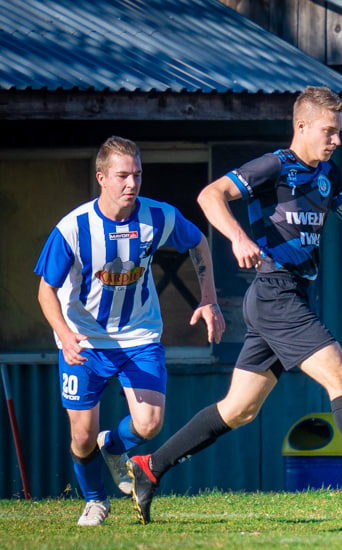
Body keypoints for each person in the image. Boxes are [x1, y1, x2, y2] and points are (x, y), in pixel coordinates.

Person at [126, 86, 342, 524]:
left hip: (283, 296)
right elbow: (209, 196)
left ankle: (150, 467)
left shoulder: (331, 174)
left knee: (239, 409)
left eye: (339, 132)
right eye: (329, 132)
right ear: (302, 126)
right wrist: (237, 237)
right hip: (276, 293)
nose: (336, 141)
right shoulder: (274, 166)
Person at [34, 136, 225, 526]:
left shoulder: (158, 216)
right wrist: (65, 334)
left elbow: (199, 242)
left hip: (138, 336)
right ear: (101, 177)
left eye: (137, 174)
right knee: (82, 437)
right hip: (84, 341)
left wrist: (209, 298)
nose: (132, 183)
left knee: (150, 423)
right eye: (123, 175)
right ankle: (95, 501)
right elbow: (45, 291)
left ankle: (115, 446)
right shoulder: (73, 228)